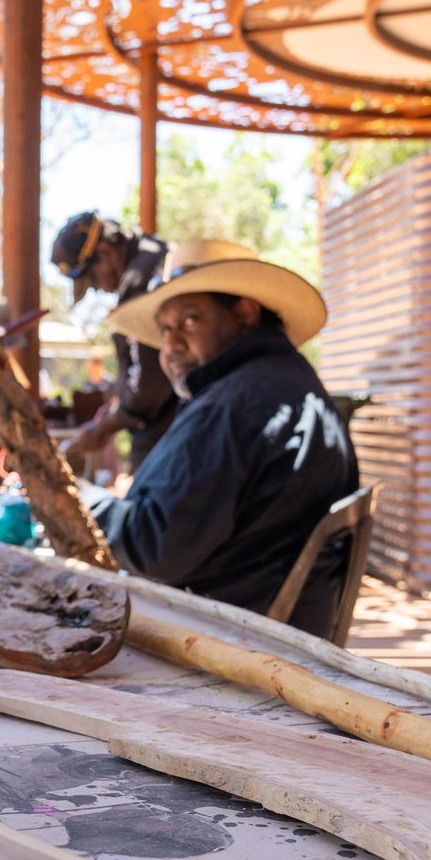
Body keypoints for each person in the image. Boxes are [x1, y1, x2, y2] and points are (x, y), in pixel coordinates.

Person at [88, 240, 360, 639]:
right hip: (275, 622)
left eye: (190, 321)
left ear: (245, 313)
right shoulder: (286, 382)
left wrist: (82, 500)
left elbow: (154, 547)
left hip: (229, 635)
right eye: (165, 330)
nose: (171, 346)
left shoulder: (235, 405)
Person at [50, 212, 175, 471]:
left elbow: (150, 385)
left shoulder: (139, 283)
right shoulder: (157, 255)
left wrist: (103, 427)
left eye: (92, 279)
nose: (97, 288)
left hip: (169, 438)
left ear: (105, 253)